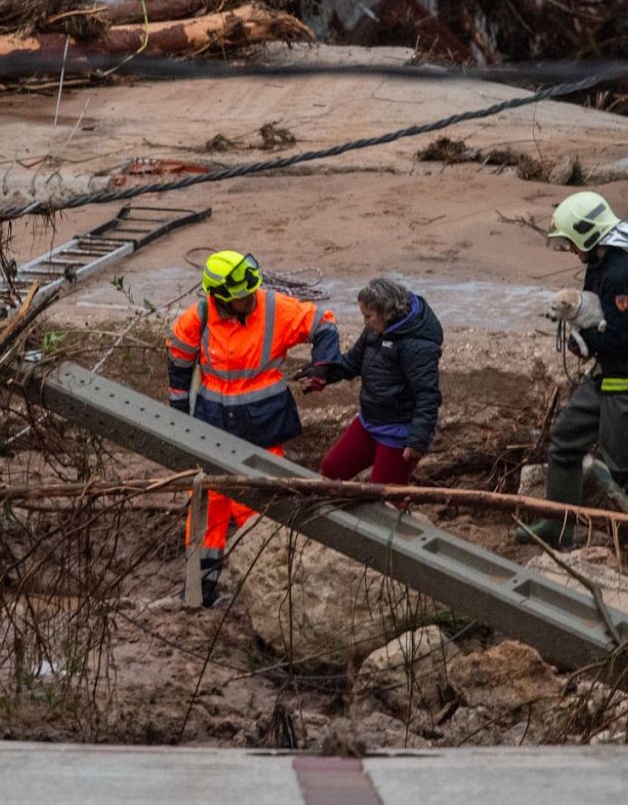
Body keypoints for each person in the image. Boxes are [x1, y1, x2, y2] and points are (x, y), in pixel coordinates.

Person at [516, 191, 628, 584]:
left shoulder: (622, 273)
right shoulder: (601, 265)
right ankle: (559, 526)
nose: (571, 250)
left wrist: (584, 343)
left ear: (587, 235)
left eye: (571, 242)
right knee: (565, 440)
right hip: (608, 376)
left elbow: (621, 338)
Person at [167, 250, 340, 605]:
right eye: (242, 297)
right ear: (219, 298)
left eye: (250, 293)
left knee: (260, 508)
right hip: (213, 428)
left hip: (263, 428)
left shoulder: (272, 308)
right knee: (207, 507)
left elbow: (323, 322)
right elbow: (179, 364)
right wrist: (179, 416)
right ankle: (200, 592)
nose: (250, 300)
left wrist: (323, 364)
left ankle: (266, 591)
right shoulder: (197, 319)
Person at [304, 278, 443, 489]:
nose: (365, 322)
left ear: (386, 313)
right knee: (332, 469)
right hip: (369, 421)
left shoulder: (418, 346)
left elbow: (428, 396)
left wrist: (417, 441)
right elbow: (351, 363)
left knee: (384, 498)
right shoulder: (375, 330)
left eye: (368, 316)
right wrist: (323, 372)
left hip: (398, 432)